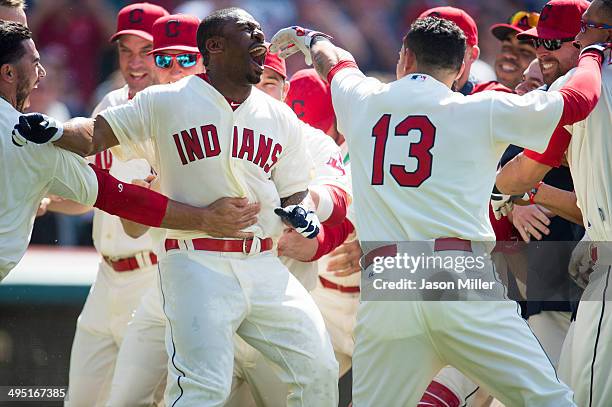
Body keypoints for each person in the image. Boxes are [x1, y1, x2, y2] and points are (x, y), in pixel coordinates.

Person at [270, 12, 604, 406]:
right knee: (549, 401)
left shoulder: (364, 99)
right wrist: (594, 52)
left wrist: (311, 39)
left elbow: (336, 63)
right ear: (462, 66)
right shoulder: (481, 109)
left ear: (405, 57)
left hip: (389, 284)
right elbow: (578, 100)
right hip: (459, 277)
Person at [14, 8, 339, 406]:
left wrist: (299, 209)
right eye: (249, 31)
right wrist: (58, 130)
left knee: (318, 370)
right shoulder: (165, 101)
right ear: (215, 47)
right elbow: (96, 134)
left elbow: (294, 189)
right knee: (203, 386)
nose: (261, 37)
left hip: (263, 263)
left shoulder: (279, 116)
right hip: (195, 261)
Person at [0, 20, 252, 282]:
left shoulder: (228, 118)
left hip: (161, 271)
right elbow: (112, 196)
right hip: (117, 271)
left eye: (186, 59)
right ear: (8, 72)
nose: (41, 73)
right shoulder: (32, 136)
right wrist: (205, 219)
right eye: (164, 59)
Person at [494, 0, 612, 404]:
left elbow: (526, 174)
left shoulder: (579, 87)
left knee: (579, 393)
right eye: (538, 43)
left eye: (558, 41)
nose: (543, 52)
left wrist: (509, 192)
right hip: (571, 269)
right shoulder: (562, 89)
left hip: (573, 273)